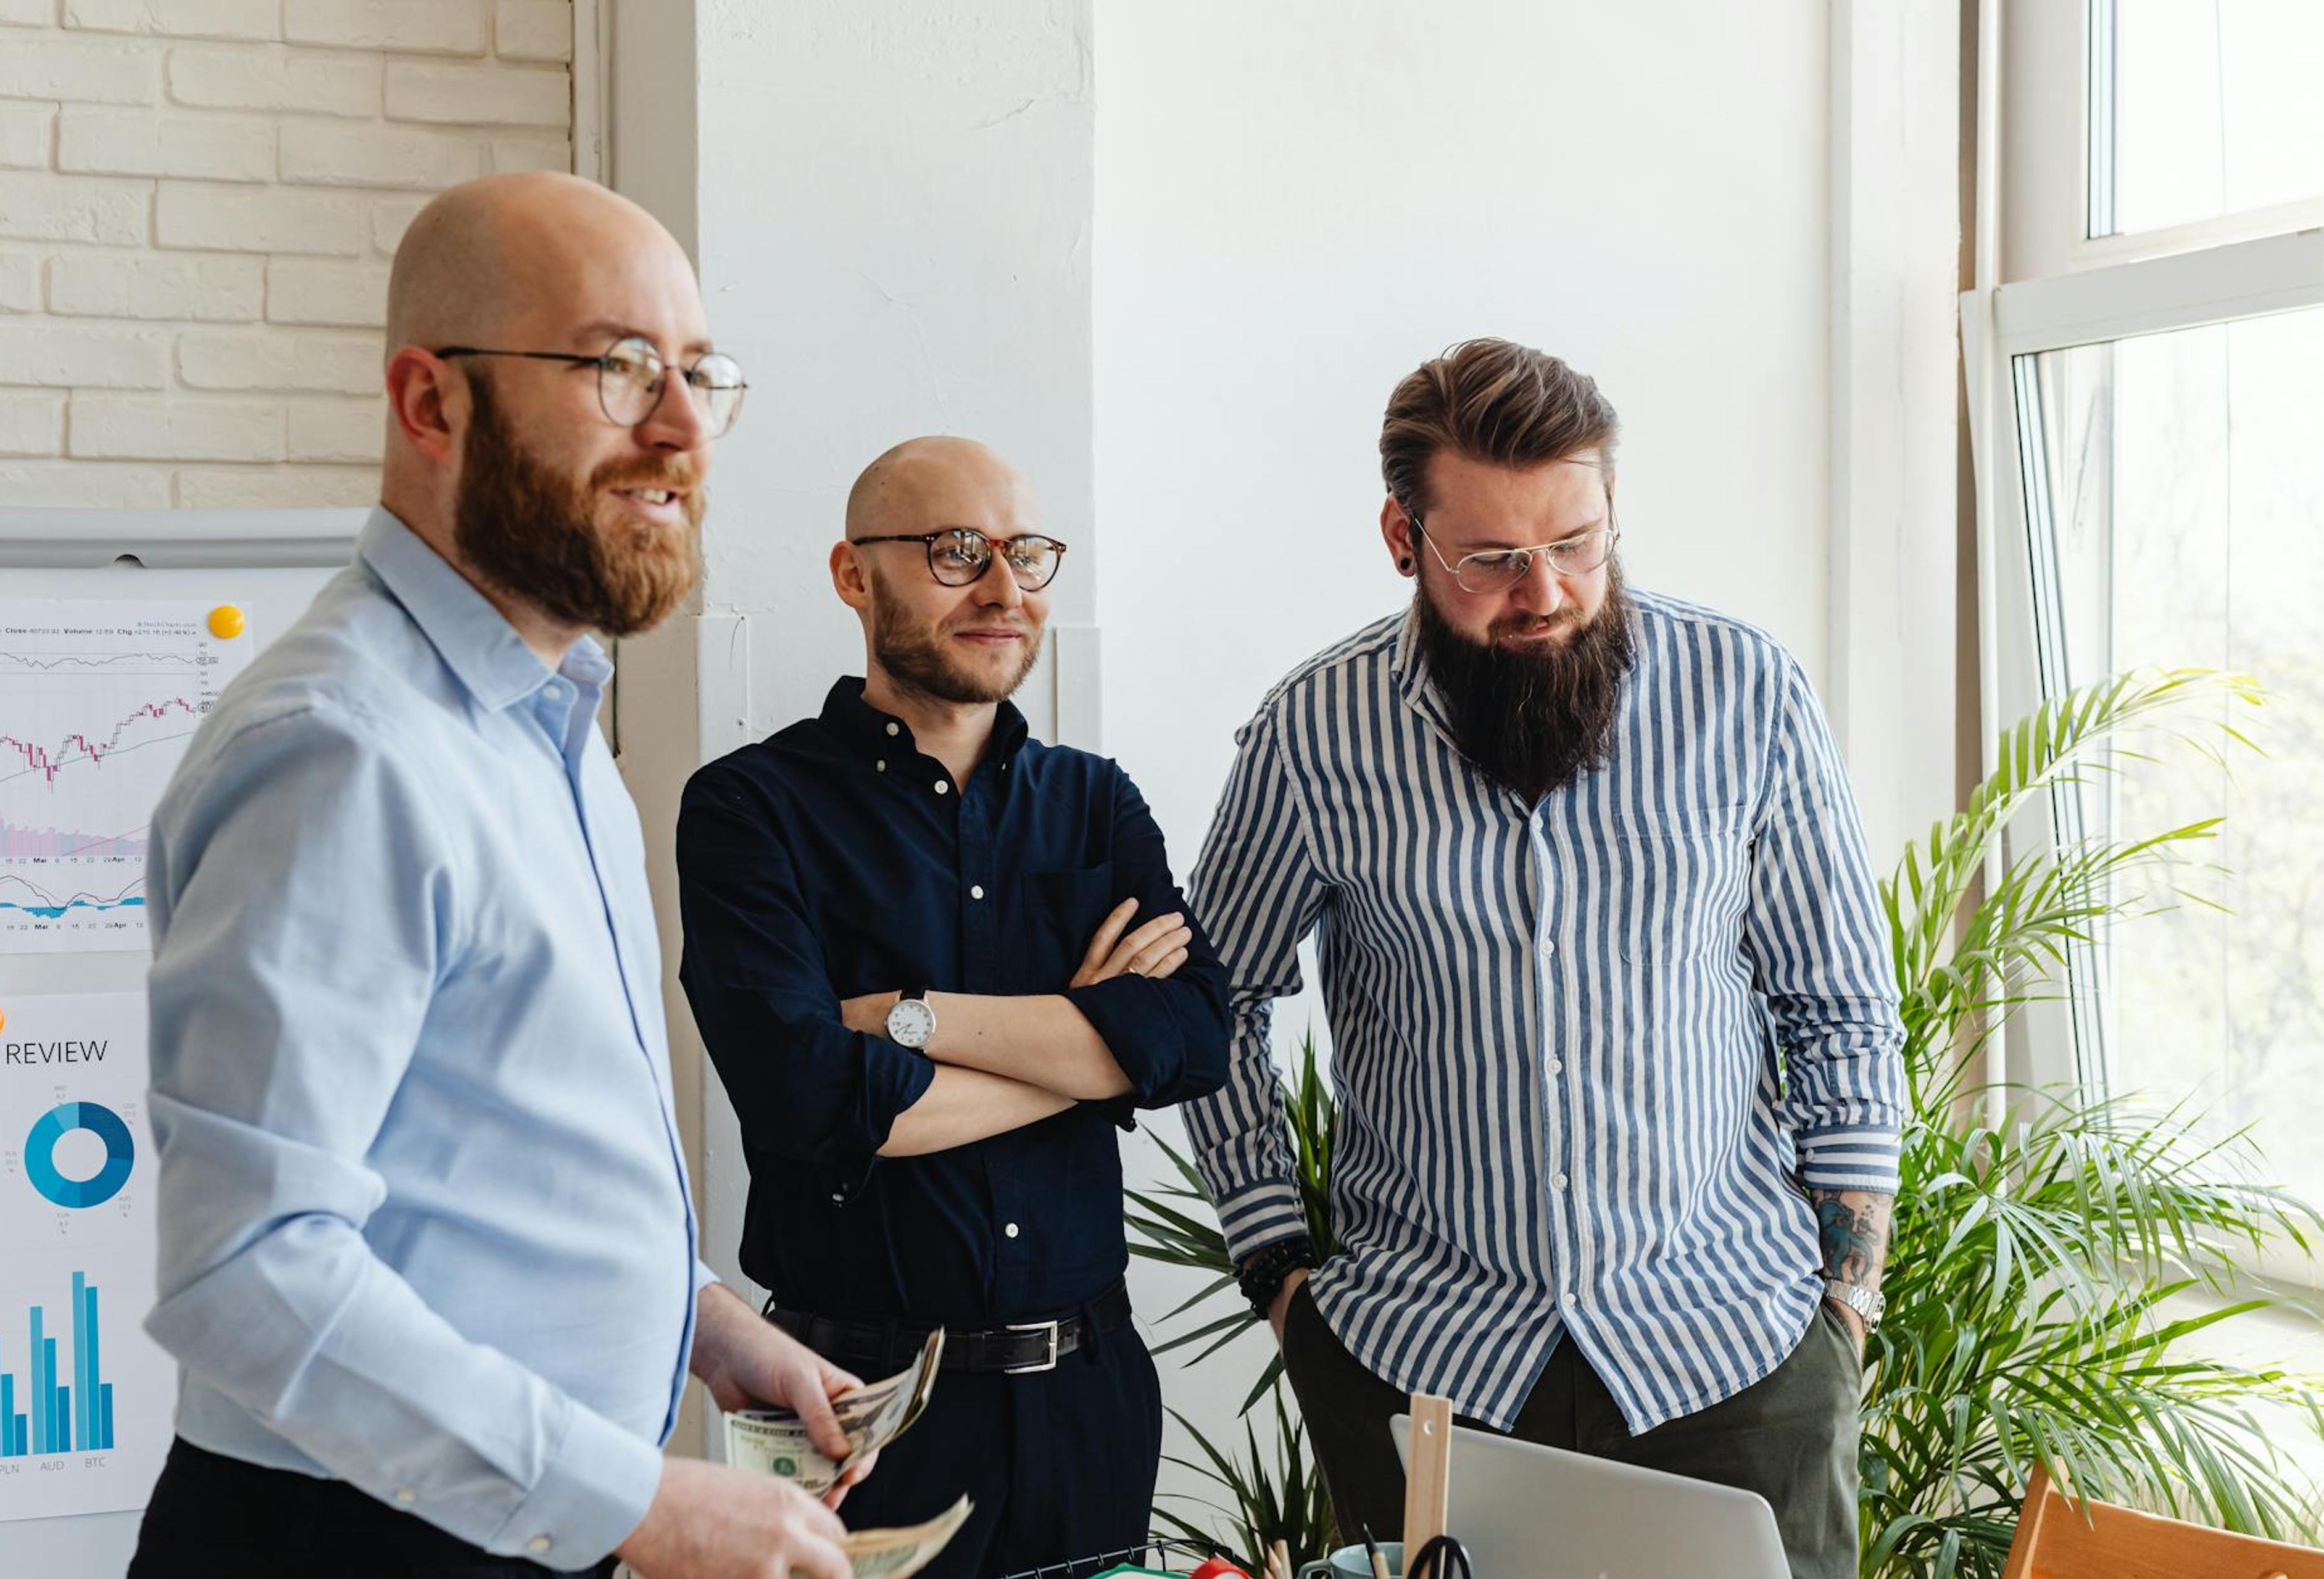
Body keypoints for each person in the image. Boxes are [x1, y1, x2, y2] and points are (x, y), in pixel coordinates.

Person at [135, 172, 869, 1579]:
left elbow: (478, 1159)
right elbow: (249, 1268)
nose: (682, 429)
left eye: (701, 373)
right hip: (349, 1541)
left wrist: (700, 1323)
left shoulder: (549, 720)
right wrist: (642, 1502)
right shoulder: (346, 749)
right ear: (431, 405)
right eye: (618, 367)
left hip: (498, 1523)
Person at [1182, 339, 1906, 1579]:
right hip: (1426, 1371)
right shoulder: (1313, 735)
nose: (1547, 591)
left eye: (1579, 541)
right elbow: (1211, 1001)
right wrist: (1280, 1272)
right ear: (1404, 539)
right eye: (1494, 560)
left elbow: (1837, 1001)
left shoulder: (1749, 695)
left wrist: (1846, 1296)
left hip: (1735, 1357)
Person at [676, 436, 1231, 1579]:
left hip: (1087, 1400)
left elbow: (1192, 1040)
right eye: (955, 552)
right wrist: (1084, 1040)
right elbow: (807, 1100)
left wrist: (910, 1019)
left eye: (1026, 555)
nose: (1003, 590)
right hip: (851, 1410)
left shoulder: (1094, 802)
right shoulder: (749, 810)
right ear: (852, 575)